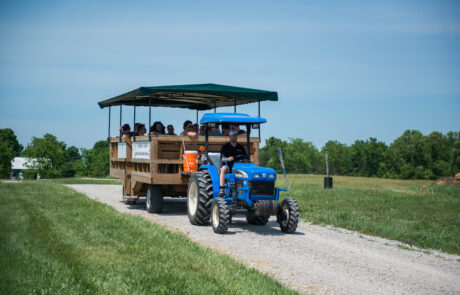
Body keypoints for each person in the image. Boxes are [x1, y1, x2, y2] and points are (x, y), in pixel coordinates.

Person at [219, 130, 248, 196]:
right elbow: (222, 159)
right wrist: (228, 159)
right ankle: (221, 190)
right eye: (232, 135)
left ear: (237, 136)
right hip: (229, 165)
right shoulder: (225, 147)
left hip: (239, 165)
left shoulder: (241, 147)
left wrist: (245, 160)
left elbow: (245, 157)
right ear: (229, 136)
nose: (234, 137)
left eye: (235, 135)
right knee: (223, 169)